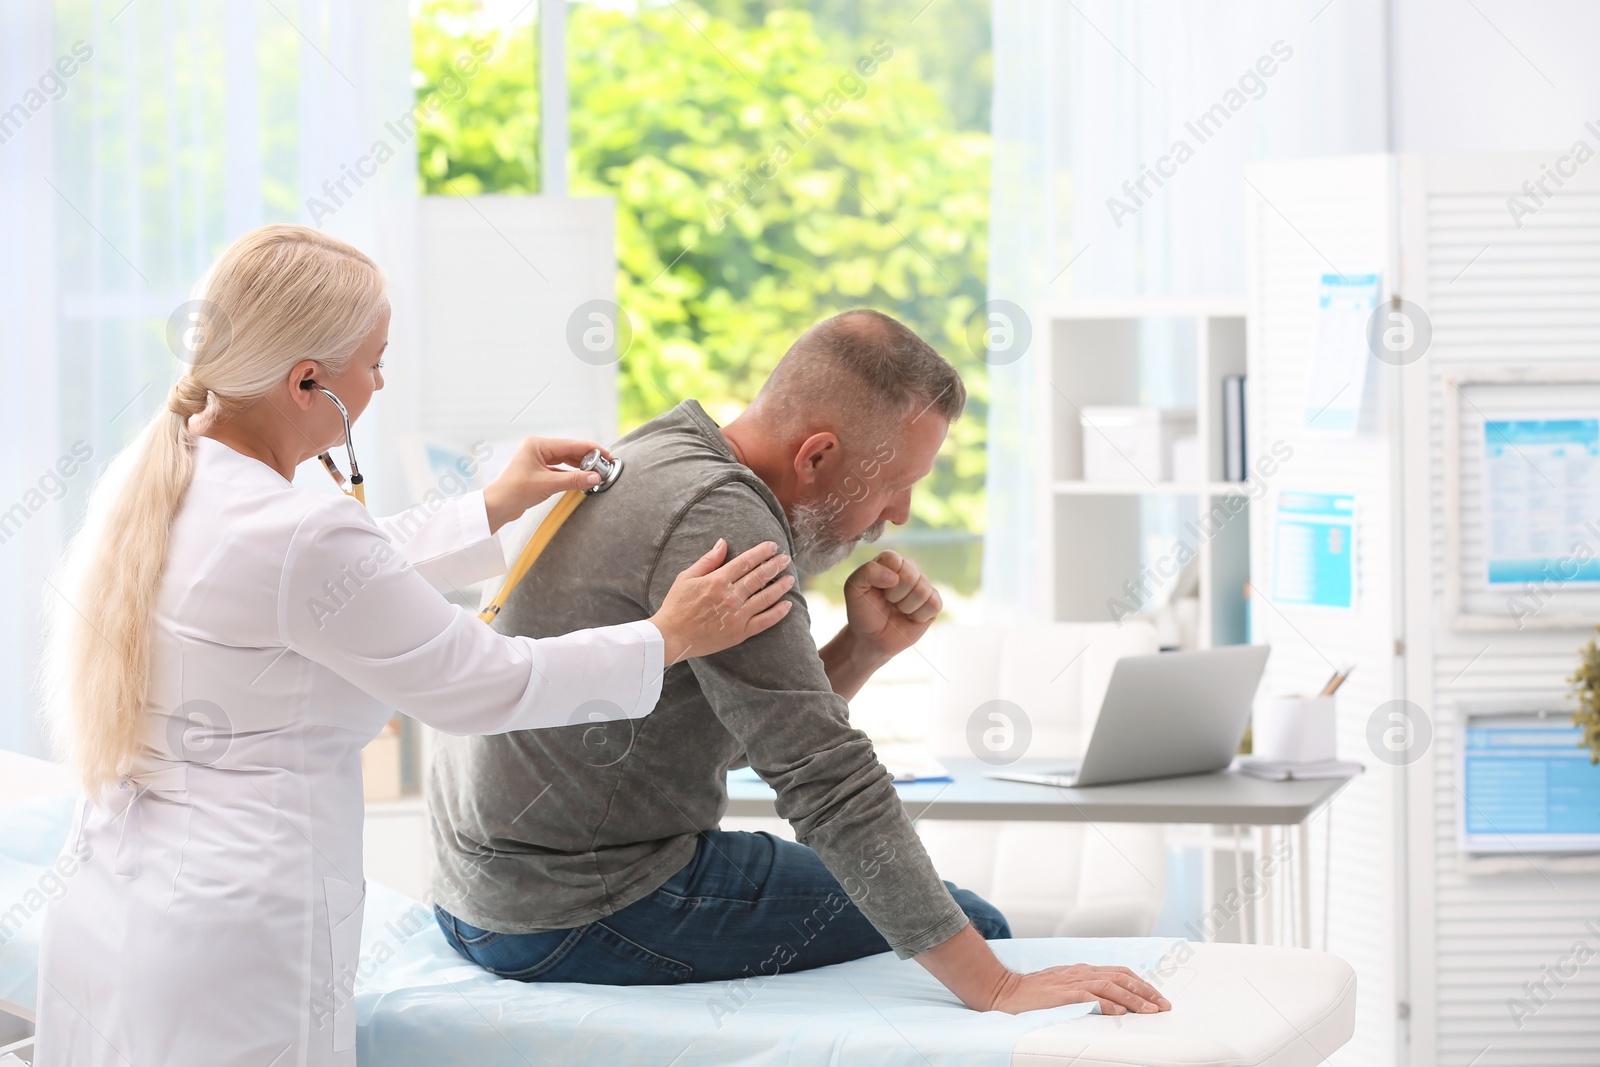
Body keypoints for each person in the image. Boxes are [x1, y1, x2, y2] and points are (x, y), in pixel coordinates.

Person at [33, 224, 793, 1067]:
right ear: (307, 382)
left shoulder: (164, 477)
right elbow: (481, 680)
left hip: (114, 902)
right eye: (376, 362)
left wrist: (492, 505)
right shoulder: (297, 529)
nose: (382, 382)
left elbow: (331, 584)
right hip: (229, 932)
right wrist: (667, 636)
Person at [429, 309, 1172, 1016]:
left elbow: (737, 730)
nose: (901, 514)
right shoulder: (723, 519)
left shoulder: (660, 449)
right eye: (894, 483)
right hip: (571, 910)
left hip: (479, 895)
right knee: (979, 925)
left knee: (944, 924)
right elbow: (824, 779)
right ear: (816, 455)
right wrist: (998, 985)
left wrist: (863, 648)